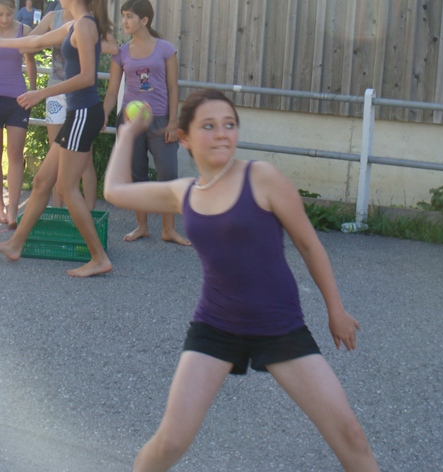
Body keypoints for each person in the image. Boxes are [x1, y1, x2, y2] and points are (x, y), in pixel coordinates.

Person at [103, 89, 380, 472]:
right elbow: (115, 191)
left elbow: (309, 244)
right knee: (170, 441)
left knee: (350, 436)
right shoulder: (184, 192)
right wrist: (127, 134)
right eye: (209, 126)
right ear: (184, 137)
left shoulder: (262, 177)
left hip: (280, 327)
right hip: (216, 327)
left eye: (229, 125)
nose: (221, 133)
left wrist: (336, 310)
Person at [0, 0, 113, 277]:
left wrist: (42, 93)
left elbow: (87, 77)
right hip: (75, 115)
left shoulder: (85, 26)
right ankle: (15, 244)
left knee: (66, 186)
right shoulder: (74, 24)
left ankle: (99, 258)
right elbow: (33, 42)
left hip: (83, 113)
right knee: (42, 182)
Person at [103, 0, 190, 245]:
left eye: (129, 16)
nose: (124, 21)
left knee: (168, 174)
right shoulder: (121, 53)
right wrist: (103, 115)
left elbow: (173, 88)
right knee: (136, 175)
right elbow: (112, 91)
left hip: (161, 121)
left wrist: (173, 122)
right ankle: (142, 227)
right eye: (123, 16)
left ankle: (168, 229)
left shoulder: (165, 49)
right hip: (131, 124)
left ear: (144, 20)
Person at [30, 7, 118, 209]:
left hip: (79, 95)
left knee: (85, 159)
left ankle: (89, 212)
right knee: (56, 157)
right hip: (55, 92)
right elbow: (30, 43)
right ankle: (58, 212)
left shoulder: (90, 21)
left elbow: (113, 48)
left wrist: (81, 41)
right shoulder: (53, 17)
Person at [0, 0, 37, 228]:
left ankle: (13, 208)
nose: (5, 19)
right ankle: (0, 207)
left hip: (18, 99)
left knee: (15, 154)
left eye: (9, 13)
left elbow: (30, 62)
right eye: (0, 14)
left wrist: (34, 92)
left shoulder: (24, 30)